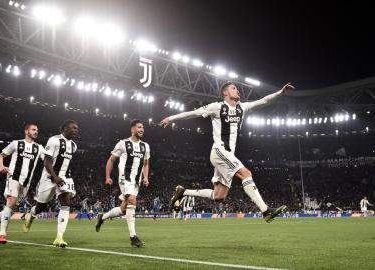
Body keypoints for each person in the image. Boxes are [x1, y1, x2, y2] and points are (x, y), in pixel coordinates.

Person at [161, 82, 295, 223]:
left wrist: (280, 92)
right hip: (219, 151)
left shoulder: (242, 107)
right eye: (234, 88)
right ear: (225, 93)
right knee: (246, 174)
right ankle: (266, 211)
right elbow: (194, 113)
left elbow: (263, 101)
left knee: (219, 196)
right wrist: (171, 118)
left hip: (228, 155)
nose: (237, 90)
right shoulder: (217, 107)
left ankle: (183, 192)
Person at [0, 123, 44, 244]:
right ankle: (2, 234)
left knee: (10, 208)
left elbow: (47, 160)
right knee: (10, 203)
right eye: (33, 129)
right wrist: (1, 167)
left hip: (26, 182)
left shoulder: (39, 148)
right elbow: (0, 156)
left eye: (37, 130)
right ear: (26, 131)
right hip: (13, 177)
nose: (36, 131)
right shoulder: (16, 143)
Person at [24, 120, 79, 248]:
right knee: (40, 207)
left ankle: (59, 237)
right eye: (73, 128)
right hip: (48, 178)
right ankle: (31, 216)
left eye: (77, 128)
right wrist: (55, 177)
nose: (76, 130)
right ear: (65, 128)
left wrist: (63, 178)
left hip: (65, 177)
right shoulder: (54, 141)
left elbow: (66, 162)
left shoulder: (74, 146)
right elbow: (47, 162)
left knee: (66, 201)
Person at [95, 119, 150, 247]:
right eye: (139, 127)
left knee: (123, 208)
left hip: (136, 182)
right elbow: (111, 160)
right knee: (132, 200)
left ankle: (102, 217)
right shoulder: (123, 143)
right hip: (125, 178)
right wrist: (108, 176)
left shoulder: (145, 146)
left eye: (143, 127)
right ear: (132, 129)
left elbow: (146, 164)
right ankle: (133, 237)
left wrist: (145, 177)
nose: (142, 129)